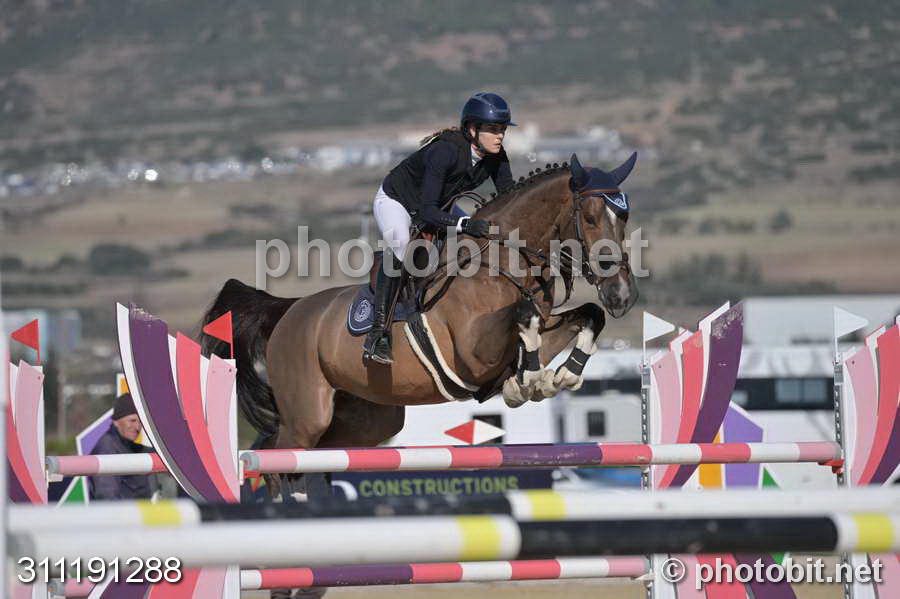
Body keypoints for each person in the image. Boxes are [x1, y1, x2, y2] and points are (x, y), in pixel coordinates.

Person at [362, 92, 517, 365]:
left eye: (502, 129)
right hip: (398, 201)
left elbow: (510, 199)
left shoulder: (497, 156)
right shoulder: (445, 151)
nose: (500, 136)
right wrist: (465, 223)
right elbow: (427, 212)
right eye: (493, 129)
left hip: (438, 205)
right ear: (472, 129)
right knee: (401, 247)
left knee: (472, 241)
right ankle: (378, 334)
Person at [89, 393, 156, 500]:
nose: (137, 427)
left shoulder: (133, 448)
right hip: (122, 510)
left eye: (140, 422)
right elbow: (107, 497)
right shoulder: (107, 448)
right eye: (132, 421)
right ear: (116, 422)